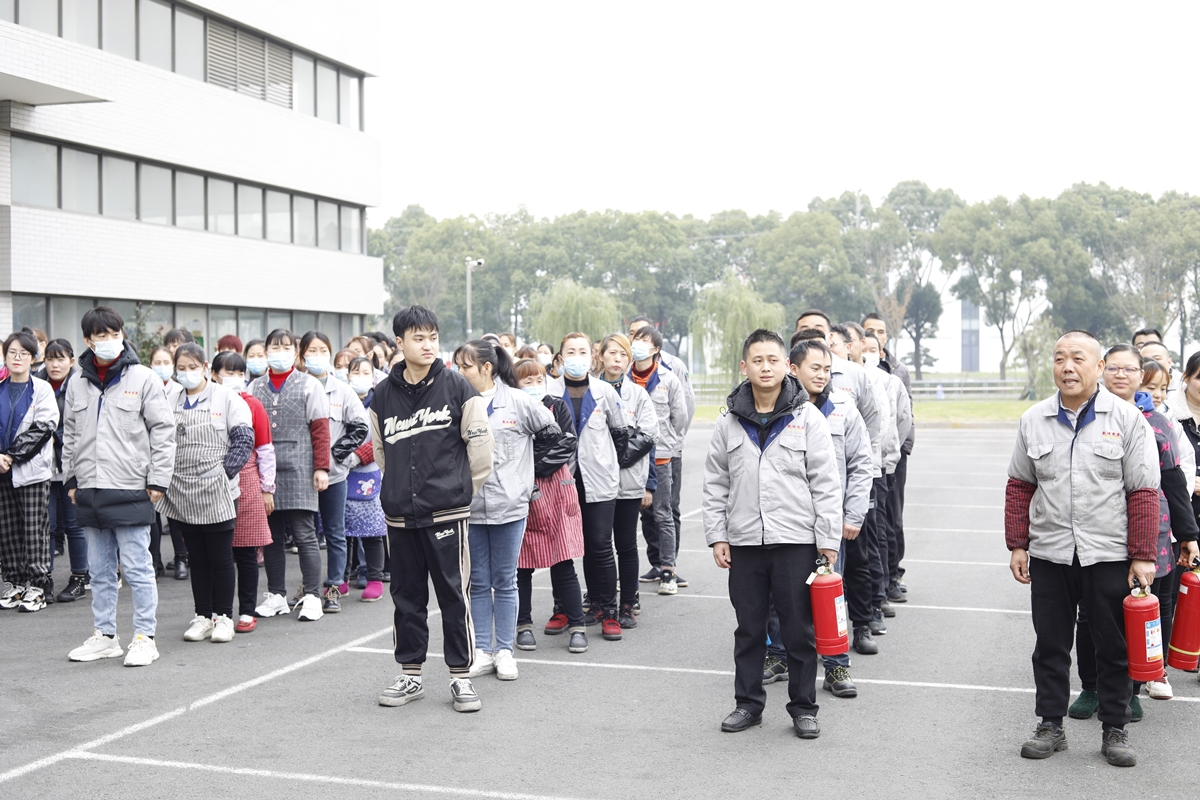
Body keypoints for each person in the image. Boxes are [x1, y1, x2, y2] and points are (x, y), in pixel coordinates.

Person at [1006, 330, 1160, 767]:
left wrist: (1142, 554)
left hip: (1107, 554)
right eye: (1060, 358)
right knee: (1050, 645)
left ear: (1099, 367)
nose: (1067, 367)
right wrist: (1017, 544)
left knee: (1113, 646)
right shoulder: (1034, 419)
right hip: (1051, 552)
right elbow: (1019, 485)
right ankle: (1050, 726)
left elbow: (1143, 491)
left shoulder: (1127, 419)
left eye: (1077, 358)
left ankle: (1115, 729)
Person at [703, 329, 843, 739]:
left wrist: (827, 540)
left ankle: (804, 708)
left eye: (772, 360)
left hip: (796, 542)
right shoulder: (728, 421)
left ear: (787, 366)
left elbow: (826, 483)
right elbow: (715, 483)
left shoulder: (808, 418)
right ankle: (747, 705)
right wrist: (718, 535)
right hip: (744, 543)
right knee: (749, 630)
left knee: (799, 630)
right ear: (744, 367)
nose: (765, 367)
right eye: (757, 360)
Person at [373, 306, 494, 713]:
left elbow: (481, 452)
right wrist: (399, 490)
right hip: (399, 517)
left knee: (453, 596)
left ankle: (461, 677)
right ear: (400, 343)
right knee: (406, 597)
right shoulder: (382, 395)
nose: (428, 345)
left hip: (446, 514)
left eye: (433, 337)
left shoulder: (458, 388)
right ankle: (410, 675)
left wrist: (456, 493)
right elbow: (380, 452)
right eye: (418, 338)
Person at [1066, 345, 1198, 710]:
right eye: (1114, 368)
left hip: (1150, 531)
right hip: (1097, 533)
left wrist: (1188, 535)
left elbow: (1174, 481)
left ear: (1141, 375)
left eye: (1130, 369)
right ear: (1101, 370)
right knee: (1090, 613)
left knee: (1140, 611)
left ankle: (1131, 690)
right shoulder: (1082, 414)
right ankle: (1091, 687)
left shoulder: (1161, 424)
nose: (1121, 375)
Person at [64, 306, 176, 667]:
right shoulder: (77, 382)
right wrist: (70, 479)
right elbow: (69, 434)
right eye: (102, 335)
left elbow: (163, 431)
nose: (111, 341)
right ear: (88, 340)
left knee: (137, 568)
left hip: (131, 487)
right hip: (89, 489)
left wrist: (158, 479)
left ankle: (145, 637)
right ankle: (105, 636)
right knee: (99, 571)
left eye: (115, 334)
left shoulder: (143, 377)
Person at [454, 339, 559, 681]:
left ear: (486, 368)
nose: (460, 372)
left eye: (466, 366)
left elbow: (554, 433)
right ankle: (483, 650)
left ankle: (504, 651)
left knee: (505, 579)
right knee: (478, 581)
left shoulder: (517, 400)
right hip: (470, 506)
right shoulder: (457, 401)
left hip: (510, 506)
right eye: (457, 366)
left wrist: (523, 477)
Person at [787, 337, 873, 697]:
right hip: (788, 521)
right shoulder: (779, 408)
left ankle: (836, 665)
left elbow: (861, 464)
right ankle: (778, 656)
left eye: (827, 369)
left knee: (829, 595)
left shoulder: (844, 409)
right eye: (815, 368)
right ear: (794, 369)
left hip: (831, 522)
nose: (822, 375)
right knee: (785, 597)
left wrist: (853, 514)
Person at [158, 344, 254, 643]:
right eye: (181, 368)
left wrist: (224, 473)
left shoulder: (227, 398)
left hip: (217, 489)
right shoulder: (168, 398)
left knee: (221, 557)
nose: (187, 373)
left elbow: (244, 440)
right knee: (196, 558)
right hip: (181, 489)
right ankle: (203, 615)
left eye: (192, 367)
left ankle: (224, 616)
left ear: (204, 367)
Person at [249, 329, 331, 623]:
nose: (279, 352)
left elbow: (321, 430)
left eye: (286, 347)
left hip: (301, 468)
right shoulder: (255, 386)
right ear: (266, 351)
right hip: (265, 471)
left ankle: (312, 596)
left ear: (296, 354)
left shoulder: (309, 384)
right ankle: (276, 595)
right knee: (270, 536)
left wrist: (322, 467)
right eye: (274, 347)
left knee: (304, 534)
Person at [513, 358, 588, 653]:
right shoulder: (512, 410)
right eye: (527, 381)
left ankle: (577, 625)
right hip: (521, 491)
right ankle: (523, 625)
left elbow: (566, 443)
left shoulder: (558, 406)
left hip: (557, 489)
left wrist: (534, 465)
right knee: (522, 565)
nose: (534, 386)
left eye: (539, 380)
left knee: (563, 560)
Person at [557, 332, 628, 640]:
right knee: (564, 548)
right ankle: (567, 608)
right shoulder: (548, 392)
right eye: (570, 352)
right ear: (560, 358)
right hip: (561, 482)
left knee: (600, 546)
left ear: (592, 357)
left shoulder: (604, 392)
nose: (577, 357)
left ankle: (609, 611)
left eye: (582, 351)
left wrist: (608, 464)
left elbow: (621, 434)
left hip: (598, 481)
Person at [299, 330, 369, 613]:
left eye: (323, 351)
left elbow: (361, 427)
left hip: (334, 475)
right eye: (311, 351)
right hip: (299, 475)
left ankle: (334, 587)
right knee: (305, 535)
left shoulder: (342, 390)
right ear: (302, 356)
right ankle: (309, 588)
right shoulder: (296, 386)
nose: (317, 356)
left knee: (335, 532)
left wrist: (338, 456)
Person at [211, 351, 275, 633]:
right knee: (217, 553)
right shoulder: (206, 402)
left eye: (240, 373)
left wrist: (267, 489)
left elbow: (265, 449)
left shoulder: (252, 404)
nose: (235, 378)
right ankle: (217, 610)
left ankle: (247, 610)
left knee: (247, 552)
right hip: (211, 482)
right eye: (229, 372)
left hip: (248, 481)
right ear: (214, 374)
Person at [598, 334, 657, 627]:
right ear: (601, 356)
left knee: (626, 544)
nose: (617, 359)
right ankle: (600, 599)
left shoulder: (638, 395)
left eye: (623, 354)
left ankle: (628, 602)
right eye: (612, 353)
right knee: (598, 545)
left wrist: (613, 458)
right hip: (596, 483)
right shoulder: (591, 391)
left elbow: (648, 436)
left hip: (628, 481)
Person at [0, 329, 59, 612]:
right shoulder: (0, 387)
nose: (17, 358)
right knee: (7, 528)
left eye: (23, 353)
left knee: (34, 528)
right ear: (5, 356)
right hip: (2, 471)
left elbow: (44, 428)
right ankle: (15, 582)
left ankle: (37, 585)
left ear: (34, 357)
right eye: (12, 353)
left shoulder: (42, 389)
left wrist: (11, 455)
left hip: (31, 471)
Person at [629, 325, 688, 595]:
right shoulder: (624, 376)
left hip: (662, 456)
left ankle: (668, 570)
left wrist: (668, 443)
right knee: (640, 515)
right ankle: (649, 565)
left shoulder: (668, 379)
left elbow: (680, 417)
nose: (638, 344)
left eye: (644, 340)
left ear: (656, 349)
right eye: (635, 338)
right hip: (630, 457)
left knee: (664, 514)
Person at [862, 332, 913, 607]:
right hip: (867, 465)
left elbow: (901, 421)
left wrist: (891, 455)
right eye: (864, 347)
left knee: (884, 527)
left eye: (873, 348)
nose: (867, 353)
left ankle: (886, 583)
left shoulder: (892, 379)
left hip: (883, 464)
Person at [38, 339, 89, 603]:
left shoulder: (81, 384)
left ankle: (80, 577)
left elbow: (83, 425)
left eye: (60, 359)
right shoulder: (36, 383)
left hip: (72, 466)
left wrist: (53, 436)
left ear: (71, 361)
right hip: (42, 467)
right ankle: (43, 578)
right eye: (50, 359)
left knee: (74, 525)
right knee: (45, 525)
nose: (55, 364)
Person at [343, 356, 387, 601]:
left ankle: (374, 578)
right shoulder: (341, 400)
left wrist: (358, 456)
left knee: (372, 530)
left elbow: (382, 438)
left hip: (370, 472)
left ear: (373, 377)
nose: (360, 377)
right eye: (355, 372)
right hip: (341, 471)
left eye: (365, 372)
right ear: (347, 375)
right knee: (343, 531)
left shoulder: (380, 403)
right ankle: (340, 578)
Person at [147, 345, 187, 579]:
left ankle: (181, 558)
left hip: (177, 457)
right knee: (151, 513)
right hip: (151, 457)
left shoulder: (181, 391)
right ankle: (154, 561)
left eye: (166, 363)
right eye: (157, 362)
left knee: (175, 513)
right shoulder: (146, 387)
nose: (161, 367)